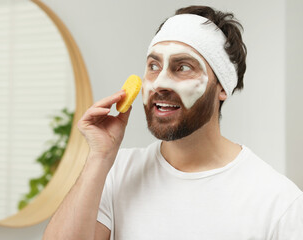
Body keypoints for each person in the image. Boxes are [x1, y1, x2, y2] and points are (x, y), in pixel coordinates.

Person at [43, 5, 303, 240]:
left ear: (222, 86)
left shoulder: (279, 203)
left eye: (183, 67)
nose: (159, 84)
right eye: (154, 66)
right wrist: (100, 157)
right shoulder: (117, 172)